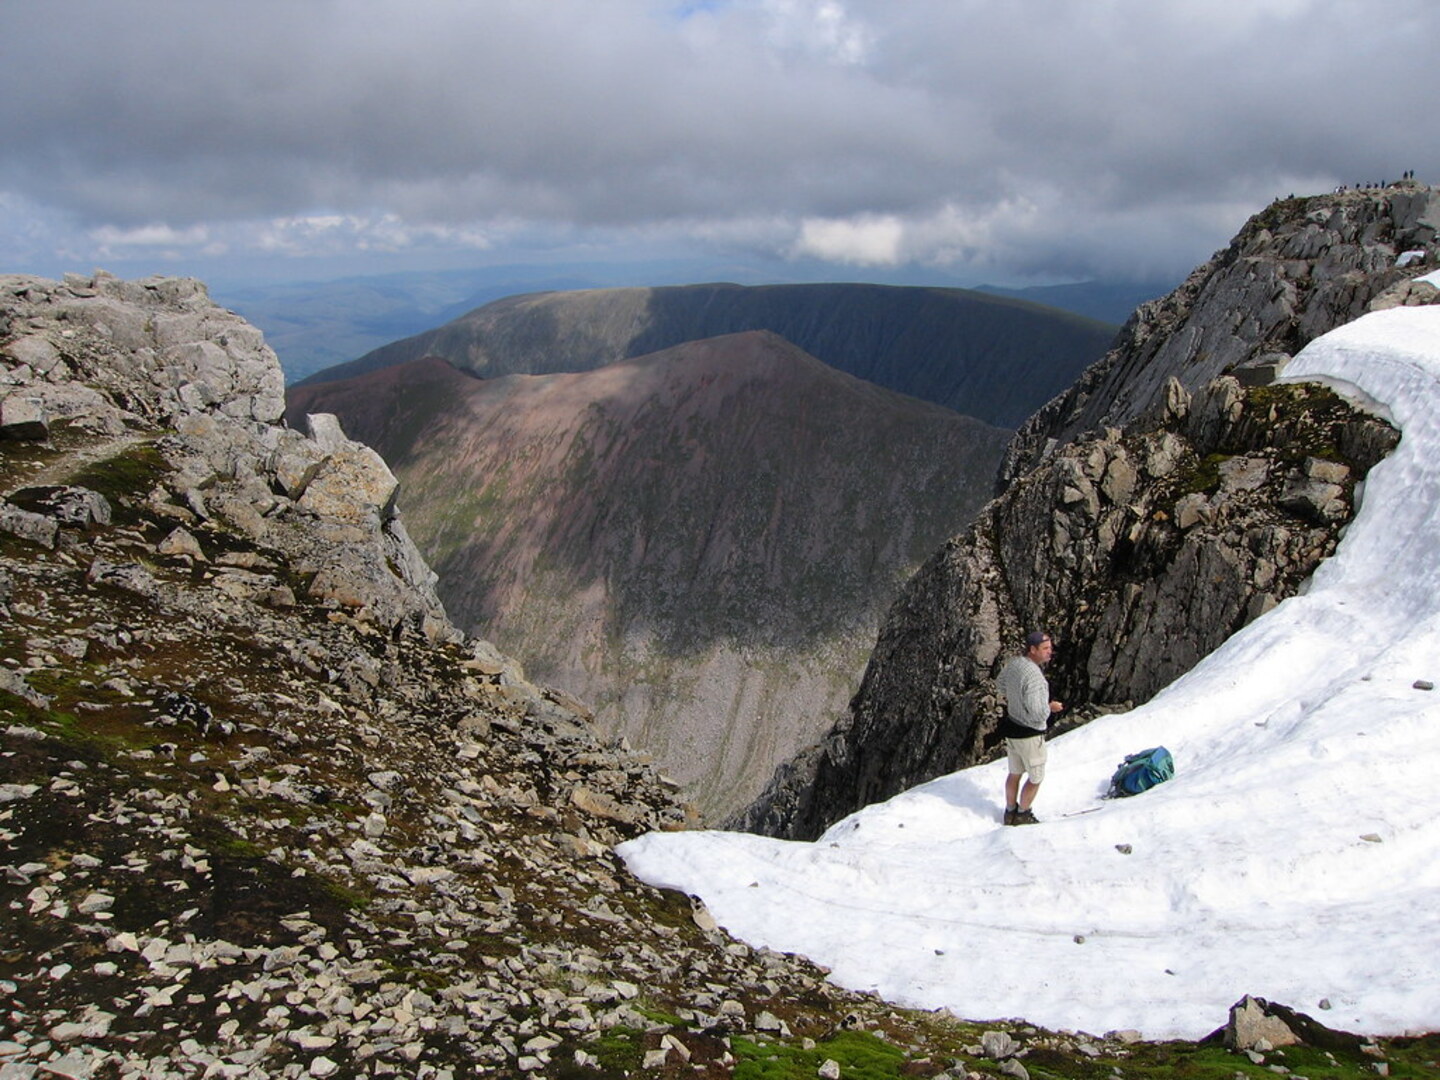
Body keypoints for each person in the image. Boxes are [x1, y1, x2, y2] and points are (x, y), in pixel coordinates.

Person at [996, 630, 1063, 825]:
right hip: (1030, 735)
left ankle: (1009, 812)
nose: (1050, 652)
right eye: (1045, 648)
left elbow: (1000, 684)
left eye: (1050, 648)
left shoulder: (1015, 664)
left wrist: (1016, 699)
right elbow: (1037, 713)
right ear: (1032, 649)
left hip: (1013, 729)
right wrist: (1050, 707)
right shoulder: (1035, 677)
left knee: (1014, 773)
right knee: (1035, 777)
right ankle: (1023, 814)